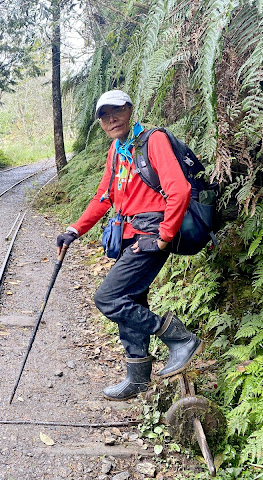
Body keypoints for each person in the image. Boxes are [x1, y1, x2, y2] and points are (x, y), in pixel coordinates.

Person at [56, 89, 203, 401]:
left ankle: (179, 338)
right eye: (104, 115)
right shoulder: (116, 150)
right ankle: (137, 376)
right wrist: (74, 229)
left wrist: (163, 237)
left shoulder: (152, 141)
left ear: (130, 109)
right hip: (126, 234)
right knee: (131, 301)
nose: (111, 118)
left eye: (117, 110)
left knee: (109, 298)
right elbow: (104, 196)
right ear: (99, 122)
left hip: (149, 233)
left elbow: (178, 189)